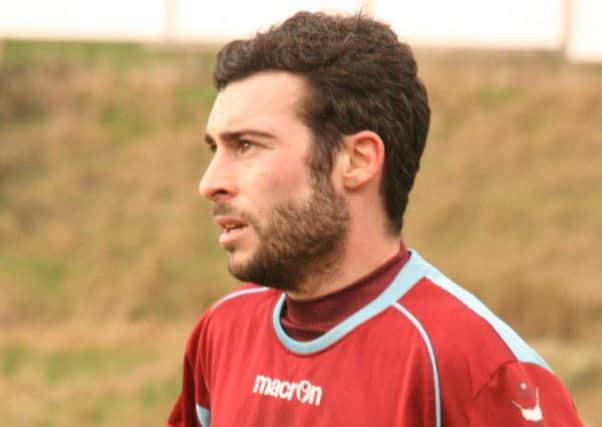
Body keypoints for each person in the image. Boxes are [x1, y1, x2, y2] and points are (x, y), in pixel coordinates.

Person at [166, 11, 583, 427]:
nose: (210, 183)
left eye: (247, 146)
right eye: (214, 149)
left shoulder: (480, 372)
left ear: (358, 161)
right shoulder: (222, 332)